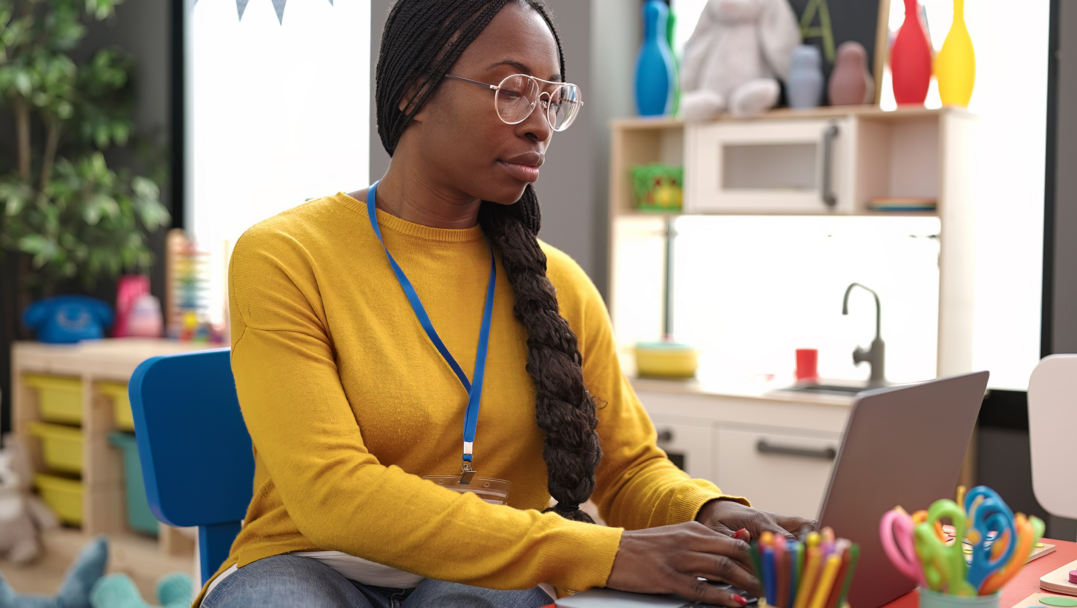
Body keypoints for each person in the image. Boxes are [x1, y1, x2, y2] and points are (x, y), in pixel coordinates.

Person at [198, 1, 812, 607]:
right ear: (415, 94)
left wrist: (717, 513)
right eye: (514, 90)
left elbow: (625, 470)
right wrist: (608, 551)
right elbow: (329, 492)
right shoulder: (284, 256)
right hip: (309, 561)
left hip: (487, 571)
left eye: (552, 99)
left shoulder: (561, 284)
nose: (540, 124)